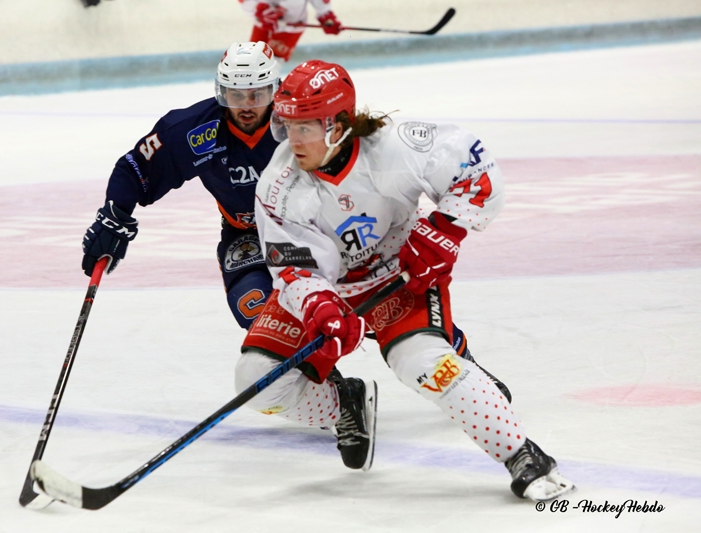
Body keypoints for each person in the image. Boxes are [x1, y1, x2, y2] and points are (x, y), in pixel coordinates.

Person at [234, 59, 575, 500]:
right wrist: (320, 305)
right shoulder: (278, 186)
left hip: (400, 274)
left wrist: (444, 231)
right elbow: (295, 268)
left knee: (426, 366)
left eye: (304, 128)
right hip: (331, 288)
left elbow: (476, 170)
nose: (291, 139)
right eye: (287, 126)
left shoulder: (394, 148)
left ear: (337, 125)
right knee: (256, 380)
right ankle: (346, 406)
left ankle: (522, 454)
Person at [80, 41, 281, 329]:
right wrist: (115, 214)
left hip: (310, 230)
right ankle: (315, 373)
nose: (246, 107)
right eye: (236, 96)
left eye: (256, 96)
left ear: (274, 89)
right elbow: (134, 168)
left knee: (353, 299)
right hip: (246, 236)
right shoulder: (194, 131)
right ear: (221, 92)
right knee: (258, 314)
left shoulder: (299, 119)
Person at [239, 0, 343, 61]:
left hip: (292, 27)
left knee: (273, 62)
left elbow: (322, 5)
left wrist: (326, 18)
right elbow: (246, 3)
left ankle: (267, 93)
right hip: (263, 24)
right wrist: (259, 11)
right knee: (252, 58)